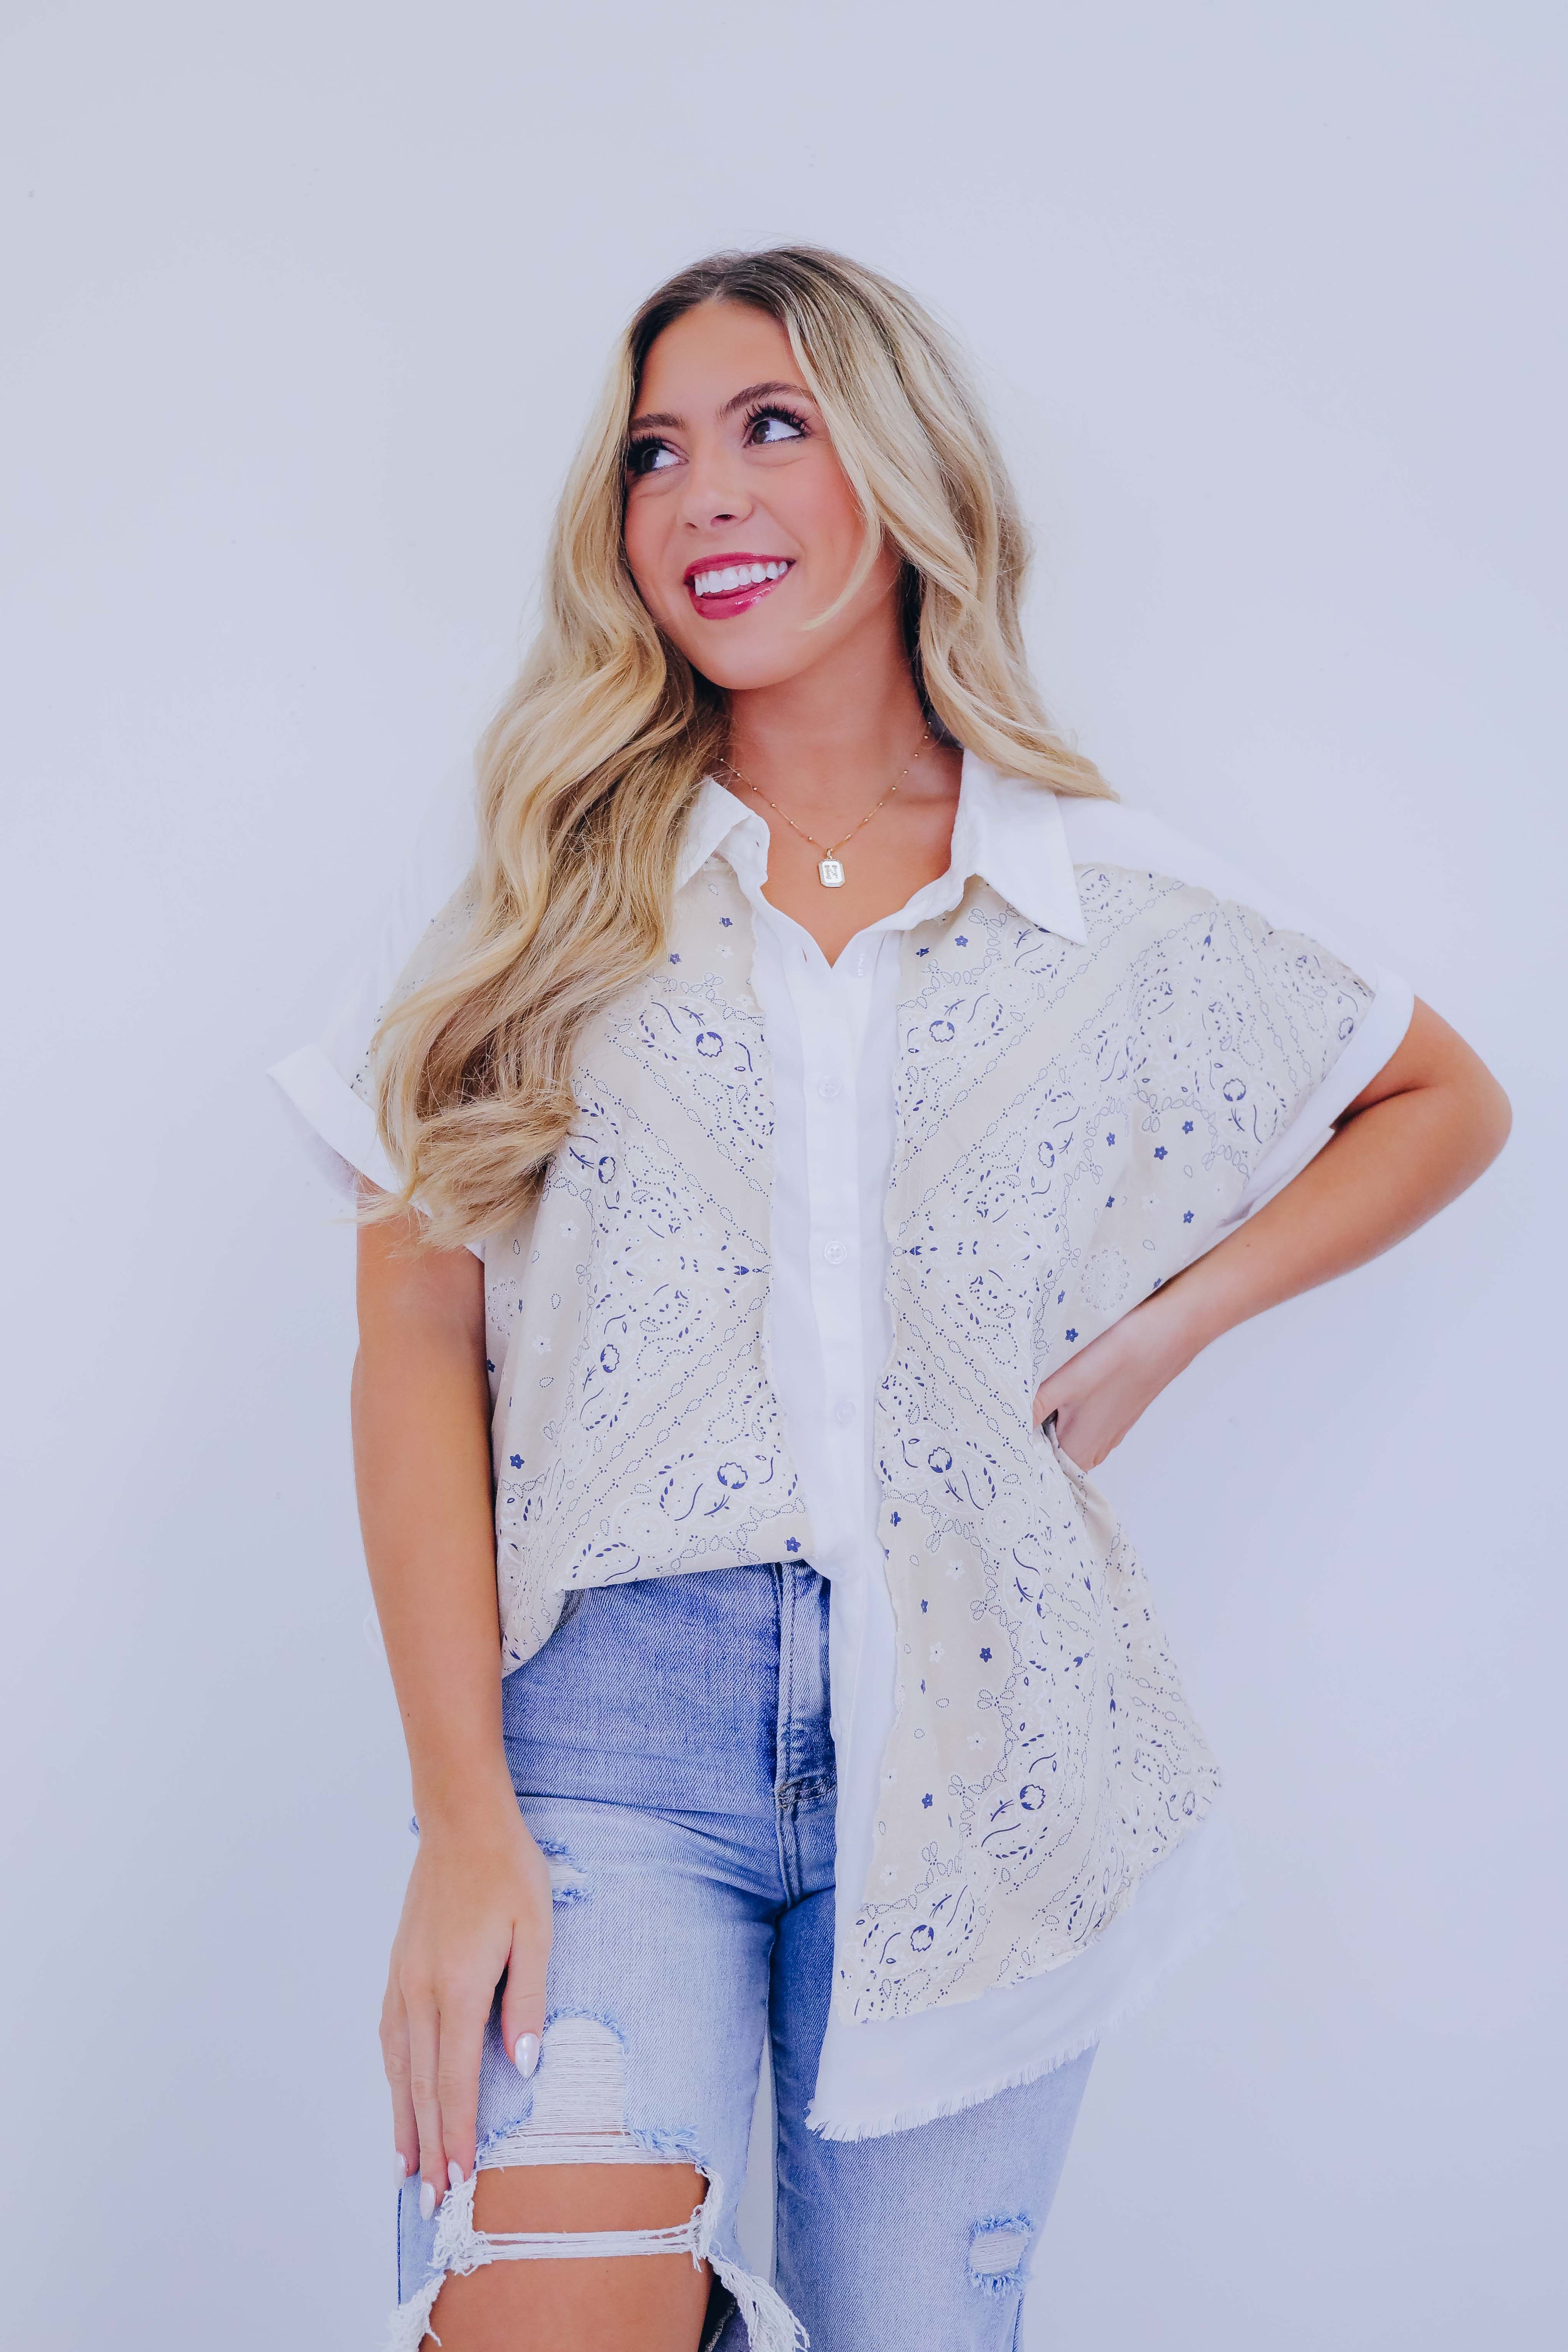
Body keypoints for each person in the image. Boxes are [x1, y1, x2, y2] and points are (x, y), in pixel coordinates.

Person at [272, 246, 1510, 2352]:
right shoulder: (541, 885)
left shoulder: (1099, 898)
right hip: (606, 1734)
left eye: (773, 426)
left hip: (990, 1735)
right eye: (654, 452)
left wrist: (1169, 1325)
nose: (701, 495)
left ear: (904, 468)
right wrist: (465, 1820)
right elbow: (413, 1343)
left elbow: (1439, 1098)